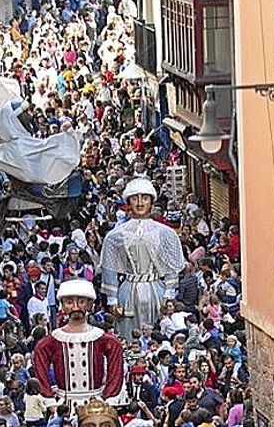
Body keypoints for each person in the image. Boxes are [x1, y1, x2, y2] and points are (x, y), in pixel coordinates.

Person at [101, 176, 186, 337]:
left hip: (156, 291)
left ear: (151, 202)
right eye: (135, 198)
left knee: (158, 332)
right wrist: (112, 300)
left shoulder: (166, 233)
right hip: (129, 291)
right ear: (129, 202)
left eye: (145, 198)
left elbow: (171, 267)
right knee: (128, 334)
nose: (140, 203)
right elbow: (109, 268)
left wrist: (169, 293)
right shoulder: (115, 235)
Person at [32, 279, 124, 413]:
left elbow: (116, 361)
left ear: (89, 304)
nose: (75, 307)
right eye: (69, 302)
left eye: (81, 302)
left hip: (96, 405)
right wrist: (49, 400)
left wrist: (109, 398)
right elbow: (40, 368)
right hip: (64, 406)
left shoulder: (101, 338)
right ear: (62, 305)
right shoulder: (52, 340)